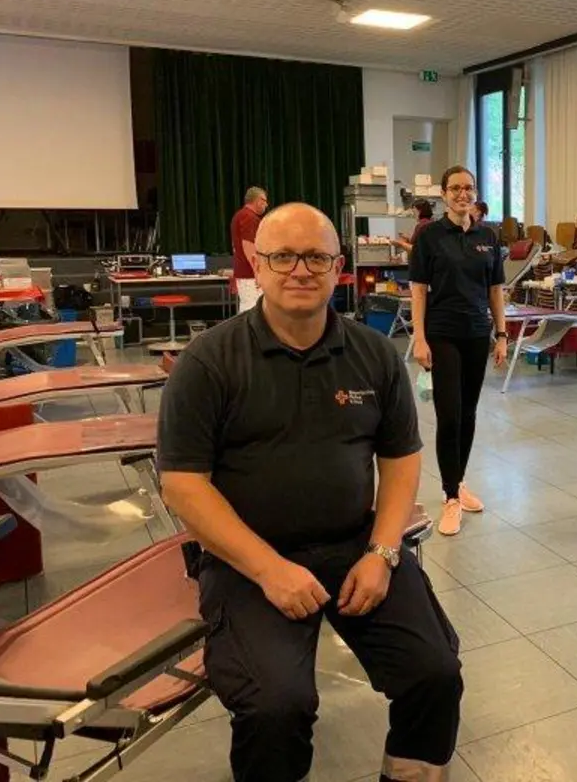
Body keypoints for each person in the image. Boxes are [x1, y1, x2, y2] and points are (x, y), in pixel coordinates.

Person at [156, 203, 463, 782]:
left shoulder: (373, 355)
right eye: (282, 256)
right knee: (276, 706)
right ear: (255, 262)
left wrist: (382, 552)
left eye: (317, 257)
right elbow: (182, 484)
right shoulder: (209, 361)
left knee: (435, 673)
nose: (300, 270)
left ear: (339, 266)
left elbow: (401, 460)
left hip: (355, 545)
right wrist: (270, 569)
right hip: (247, 559)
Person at [408, 167, 508, 536]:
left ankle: (459, 481)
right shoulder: (429, 236)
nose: (462, 194)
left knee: (468, 414)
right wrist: (419, 337)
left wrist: (501, 335)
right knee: (449, 416)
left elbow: (496, 289)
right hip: (442, 333)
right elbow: (418, 290)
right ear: (444, 194)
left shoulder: (488, 236)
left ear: (475, 193)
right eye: (455, 188)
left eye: (468, 188)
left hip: (477, 334)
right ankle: (451, 496)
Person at [230, 186, 268, 312]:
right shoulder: (249, 217)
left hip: (244, 272)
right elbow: (248, 245)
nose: (266, 205)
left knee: (248, 307)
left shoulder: (239, 216)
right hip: (250, 275)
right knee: (252, 309)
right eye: (264, 201)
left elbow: (235, 247)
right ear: (258, 200)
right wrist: (257, 272)